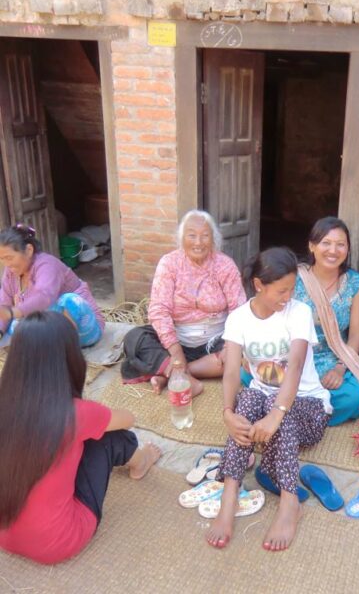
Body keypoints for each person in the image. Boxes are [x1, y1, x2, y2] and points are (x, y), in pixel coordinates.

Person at [0, 312, 161, 564]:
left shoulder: (6, 404)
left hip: (5, 535)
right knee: (110, 436)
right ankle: (141, 462)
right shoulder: (75, 413)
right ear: (68, 359)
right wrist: (93, 416)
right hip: (58, 542)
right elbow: (128, 419)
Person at [206, 247, 331, 551]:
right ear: (260, 285)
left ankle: (289, 502)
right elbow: (232, 370)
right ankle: (230, 494)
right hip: (264, 406)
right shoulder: (238, 319)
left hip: (307, 409)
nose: (287, 296)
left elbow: (297, 367)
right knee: (247, 398)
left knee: (280, 413)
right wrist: (227, 412)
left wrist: (276, 414)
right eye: (281, 290)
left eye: (291, 289)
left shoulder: (298, 312)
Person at [121, 210, 246, 397]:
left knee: (241, 356)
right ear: (181, 238)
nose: (198, 242)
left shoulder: (225, 265)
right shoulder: (169, 263)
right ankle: (181, 372)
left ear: (213, 239)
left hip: (215, 341)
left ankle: (174, 373)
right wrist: (176, 351)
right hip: (176, 341)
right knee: (134, 338)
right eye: (192, 235)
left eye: (205, 236)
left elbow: (239, 309)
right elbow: (158, 310)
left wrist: (230, 346)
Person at [292, 217, 359, 425]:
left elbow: (355, 335)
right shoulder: (294, 279)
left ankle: (289, 412)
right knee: (249, 375)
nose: (333, 251)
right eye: (326, 243)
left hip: (331, 358)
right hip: (294, 355)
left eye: (340, 244)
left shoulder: (355, 283)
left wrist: (340, 368)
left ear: (347, 249)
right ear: (312, 246)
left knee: (354, 398)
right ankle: (305, 412)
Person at [0, 224, 104, 347]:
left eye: (9, 257)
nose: (7, 263)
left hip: (84, 329)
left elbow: (45, 297)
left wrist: (14, 312)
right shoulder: (10, 272)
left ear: (28, 250)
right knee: (14, 327)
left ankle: (68, 351)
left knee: (68, 300)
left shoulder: (47, 265)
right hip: (47, 327)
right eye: (2, 258)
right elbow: (4, 305)